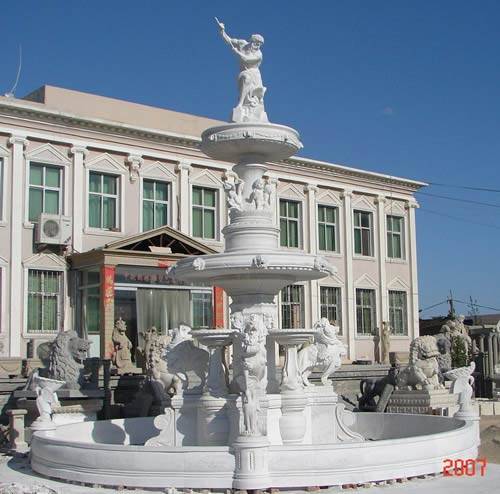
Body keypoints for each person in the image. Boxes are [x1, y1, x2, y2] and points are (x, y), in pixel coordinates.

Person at [215, 18, 268, 122]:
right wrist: (222, 31)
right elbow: (229, 40)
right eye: (257, 42)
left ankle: (244, 106)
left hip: (254, 74)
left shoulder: (259, 55)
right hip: (244, 72)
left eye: (260, 44)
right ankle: (240, 104)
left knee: (255, 96)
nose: (258, 45)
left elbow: (246, 59)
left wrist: (237, 53)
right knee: (245, 78)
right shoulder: (242, 43)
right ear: (252, 40)